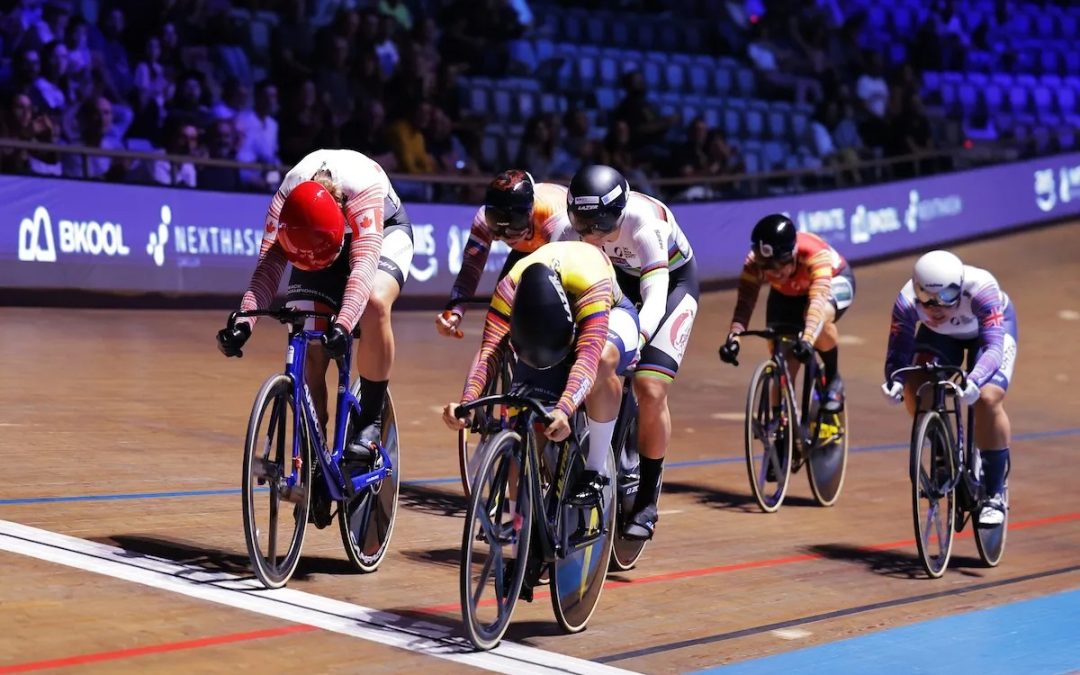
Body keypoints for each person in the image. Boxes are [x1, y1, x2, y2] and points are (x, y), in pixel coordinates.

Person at [216, 149, 414, 469]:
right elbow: (267, 269)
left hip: (385, 230)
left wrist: (344, 323)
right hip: (316, 240)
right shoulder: (286, 201)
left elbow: (363, 268)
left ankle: (370, 423)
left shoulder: (363, 190)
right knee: (309, 344)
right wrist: (244, 323)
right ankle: (314, 458)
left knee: (375, 303)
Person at [442, 240, 640, 510]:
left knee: (603, 361)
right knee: (522, 426)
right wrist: (467, 401)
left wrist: (564, 409)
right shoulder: (508, 288)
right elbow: (489, 352)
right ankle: (517, 524)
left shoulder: (591, 284)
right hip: (548, 318)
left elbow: (588, 360)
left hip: (610, 311)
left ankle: (596, 471)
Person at [564, 164, 698, 542]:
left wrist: (637, 341)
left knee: (650, 387)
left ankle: (647, 497)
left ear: (619, 214)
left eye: (602, 229)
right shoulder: (576, 225)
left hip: (671, 282)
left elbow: (655, 296)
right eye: (583, 228)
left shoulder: (646, 224)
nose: (592, 236)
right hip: (619, 277)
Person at [881, 250, 1016, 526]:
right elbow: (898, 351)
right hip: (940, 338)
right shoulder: (906, 301)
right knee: (916, 388)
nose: (936, 307)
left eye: (945, 298)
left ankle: (994, 494)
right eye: (928, 300)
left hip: (985, 336)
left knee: (988, 399)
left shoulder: (982, 289)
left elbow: (993, 347)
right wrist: (895, 380)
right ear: (916, 289)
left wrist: (974, 379)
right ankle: (944, 453)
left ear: (960, 286)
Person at [719, 214, 855, 411]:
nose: (773, 273)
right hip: (788, 293)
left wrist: (807, 339)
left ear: (793, 254)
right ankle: (780, 424)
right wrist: (734, 338)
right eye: (767, 268)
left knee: (820, 319)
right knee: (784, 359)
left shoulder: (815, 255)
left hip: (833, 282)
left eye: (778, 266)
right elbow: (744, 305)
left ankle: (832, 378)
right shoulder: (754, 263)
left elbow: (817, 303)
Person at [435, 169, 572, 338]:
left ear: (531, 211)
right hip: (527, 248)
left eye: (514, 223)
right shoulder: (483, 220)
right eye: (496, 225)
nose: (505, 235)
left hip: (562, 243)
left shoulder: (552, 218)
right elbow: (470, 272)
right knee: (499, 317)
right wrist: (455, 312)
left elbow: (567, 279)